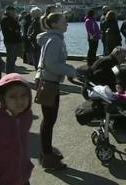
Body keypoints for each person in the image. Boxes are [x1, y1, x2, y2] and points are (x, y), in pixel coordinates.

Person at [35, 12, 77, 170]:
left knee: (48, 120)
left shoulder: (52, 38)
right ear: (54, 25)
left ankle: (46, 151)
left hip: (48, 81)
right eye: (64, 21)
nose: (67, 23)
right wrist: (71, 70)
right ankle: (47, 157)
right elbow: (51, 63)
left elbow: (47, 62)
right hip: (49, 83)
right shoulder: (54, 40)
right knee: (49, 120)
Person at [0, 73, 33, 185]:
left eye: (24, 95)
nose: (19, 100)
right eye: (13, 96)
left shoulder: (27, 116)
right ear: (3, 99)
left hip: (23, 176)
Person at [0, 6, 22, 74]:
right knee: (11, 58)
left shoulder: (9, 18)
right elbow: (13, 29)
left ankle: (10, 72)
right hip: (11, 41)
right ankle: (9, 73)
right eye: (13, 11)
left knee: (12, 58)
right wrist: (16, 30)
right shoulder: (6, 19)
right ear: (9, 11)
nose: (15, 12)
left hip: (11, 40)